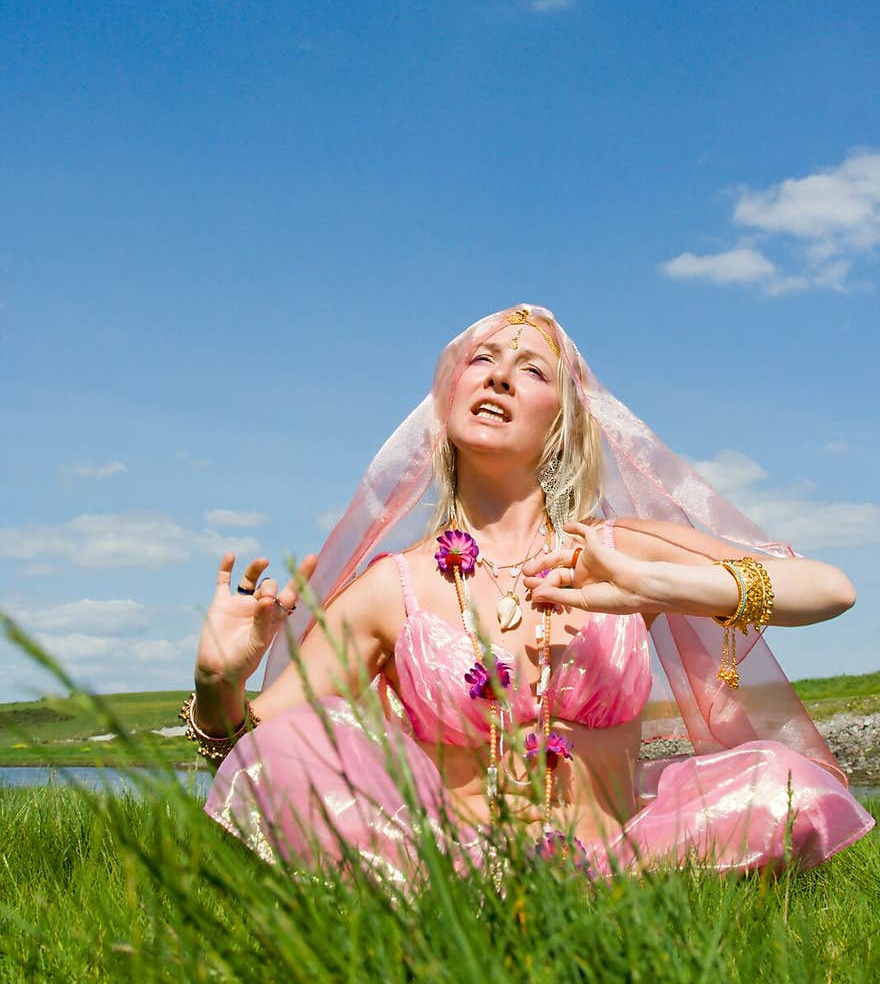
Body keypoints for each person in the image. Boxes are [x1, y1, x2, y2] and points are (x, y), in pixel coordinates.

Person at [184, 304, 874, 882]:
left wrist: (652, 583)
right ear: (448, 396)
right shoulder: (392, 587)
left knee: (786, 784)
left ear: (565, 419)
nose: (501, 376)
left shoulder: (615, 549)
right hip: (453, 873)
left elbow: (828, 590)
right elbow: (258, 747)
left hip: (630, 862)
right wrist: (219, 683)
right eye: (482, 360)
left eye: (532, 369)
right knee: (292, 750)